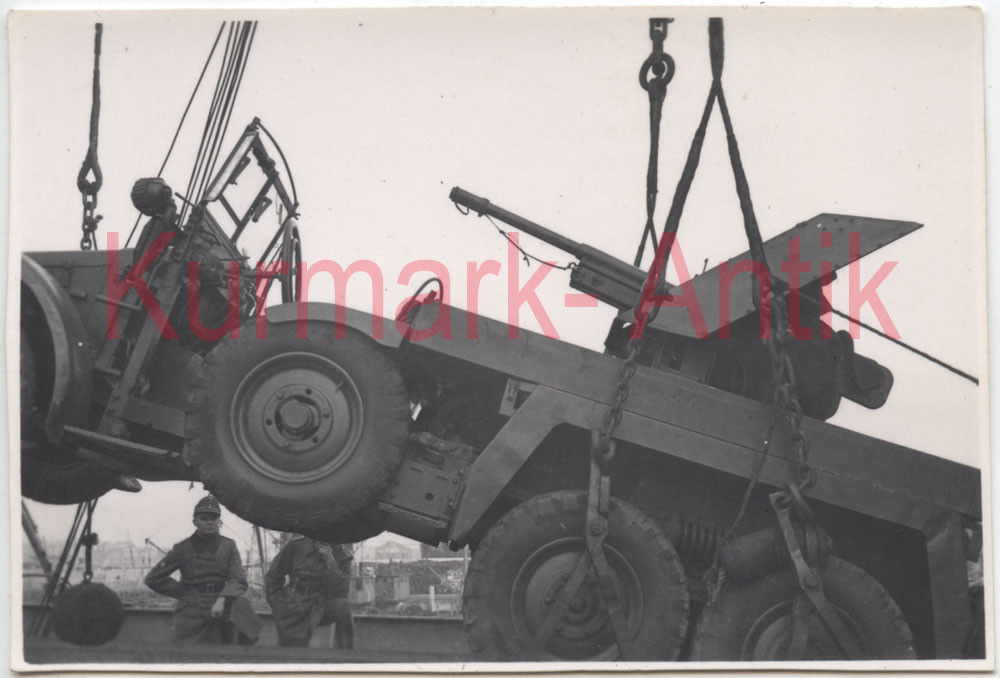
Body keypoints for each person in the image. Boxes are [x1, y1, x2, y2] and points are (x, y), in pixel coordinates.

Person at [144, 496, 260, 644]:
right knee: (183, 654)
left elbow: (237, 580)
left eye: (213, 518)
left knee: (233, 647)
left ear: (219, 521)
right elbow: (153, 579)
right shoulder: (182, 548)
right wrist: (185, 593)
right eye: (204, 518)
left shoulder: (228, 546)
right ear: (195, 522)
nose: (209, 522)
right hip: (191, 608)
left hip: (223, 603)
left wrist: (222, 599)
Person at [265, 535, 354, 648]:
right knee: (291, 654)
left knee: (342, 607)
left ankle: (346, 659)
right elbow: (273, 575)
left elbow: (342, 589)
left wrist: (329, 559)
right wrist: (277, 603)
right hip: (294, 605)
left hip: (321, 606)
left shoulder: (340, 551)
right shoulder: (297, 545)